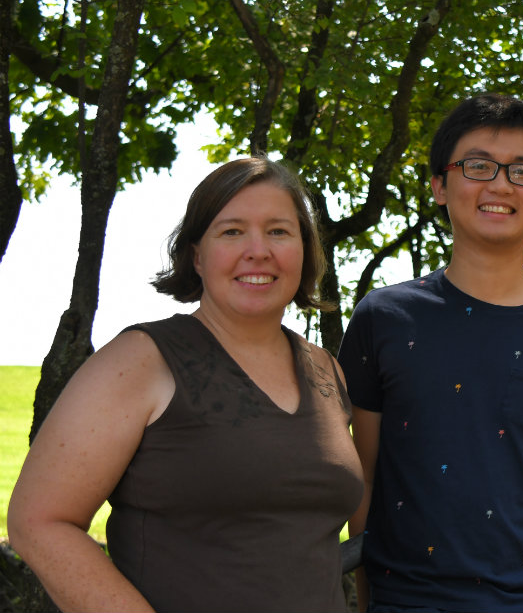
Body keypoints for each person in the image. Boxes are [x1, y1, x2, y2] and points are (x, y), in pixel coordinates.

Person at [7, 157, 365, 612]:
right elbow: (38, 521)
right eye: (232, 231)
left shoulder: (325, 371)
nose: (258, 250)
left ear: (305, 249)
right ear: (196, 254)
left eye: (278, 231)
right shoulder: (141, 359)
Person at [337, 93, 523, 613]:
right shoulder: (383, 318)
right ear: (439, 185)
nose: (499, 184)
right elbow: (365, 476)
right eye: (477, 165)